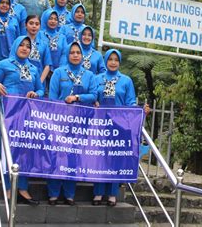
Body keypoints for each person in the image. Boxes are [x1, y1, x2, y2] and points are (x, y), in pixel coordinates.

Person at [0, 35, 44, 205]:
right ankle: (8, 188)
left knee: (25, 151)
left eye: (28, 46)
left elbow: (41, 90)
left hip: (26, 116)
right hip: (8, 113)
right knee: (7, 152)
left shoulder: (34, 69)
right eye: (22, 45)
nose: (25, 48)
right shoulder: (4, 64)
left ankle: (23, 189)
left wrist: (36, 94)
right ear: (15, 46)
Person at [92, 49, 149, 206]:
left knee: (115, 159)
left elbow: (130, 102)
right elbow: (91, 97)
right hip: (100, 124)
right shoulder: (97, 79)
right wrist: (94, 102)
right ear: (105, 60)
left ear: (119, 62)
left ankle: (112, 193)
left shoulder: (126, 80)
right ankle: (98, 193)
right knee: (99, 158)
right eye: (110, 59)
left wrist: (139, 110)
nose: (113, 62)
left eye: (116, 59)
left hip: (119, 125)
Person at [47, 41, 97, 206]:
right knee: (57, 155)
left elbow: (94, 95)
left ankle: (69, 194)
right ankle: (53, 193)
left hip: (80, 122)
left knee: (73, 157)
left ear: (82, 56)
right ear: (67, 55)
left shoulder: (89, 75)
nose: (75, 55)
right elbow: (53, 97)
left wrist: (77, 98)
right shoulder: (59, 72)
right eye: (72, 52)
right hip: (60, 121)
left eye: (78, 52)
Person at [40, 9, 68, 79]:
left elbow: (64, 54)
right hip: (41, 71)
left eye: (55, 19)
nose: (53, 21)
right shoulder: (39, 34)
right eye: (50, 18)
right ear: (45, 19)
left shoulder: (62, 37)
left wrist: (59, 71)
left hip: (57, 73)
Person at [25, 14, 52, 84]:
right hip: (22, 81)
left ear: (40, 27)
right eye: (31, 23)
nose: (34, 26)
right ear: (25, 25)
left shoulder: (44, 44)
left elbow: (47, 65)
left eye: (37, 24)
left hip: (39, 81)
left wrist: (39, 82)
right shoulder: (19, 42)